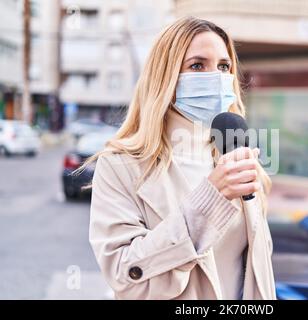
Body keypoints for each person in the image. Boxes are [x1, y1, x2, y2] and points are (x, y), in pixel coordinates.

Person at [75, 16, 276, 300]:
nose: (216, 77)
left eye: (223, 66)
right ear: (165, 76)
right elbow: (125, 275)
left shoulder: (235, 153)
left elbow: (258, 269)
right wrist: (210, 200)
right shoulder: (119, 164)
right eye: (197, 65)